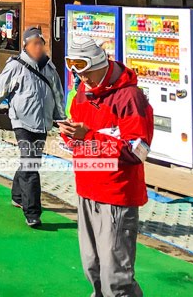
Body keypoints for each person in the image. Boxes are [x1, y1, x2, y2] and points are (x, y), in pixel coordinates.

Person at [59, 38, 154, 297]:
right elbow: (78, 129)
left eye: (87, 73)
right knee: (92, 267)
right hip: (86, 190)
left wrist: (87, 136)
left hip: (117, 195)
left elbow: (138, 151)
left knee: (115, 276)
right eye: (78, 74)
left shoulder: (131, 97)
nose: (83, 79)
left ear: (102, 64)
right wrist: (68, 135)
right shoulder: (83, 92)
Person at [0, 27, 65, 227]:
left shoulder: (50, 68)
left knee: (30, 161)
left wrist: (61, 118)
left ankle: (17, 195)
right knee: (31, 164)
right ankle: (32, 211)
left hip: (42, 123)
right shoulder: (16, 66)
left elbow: (58, 94)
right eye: (34, 43)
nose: (39, 47)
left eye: (41, 43)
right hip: (22, 122)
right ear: (25, 45)